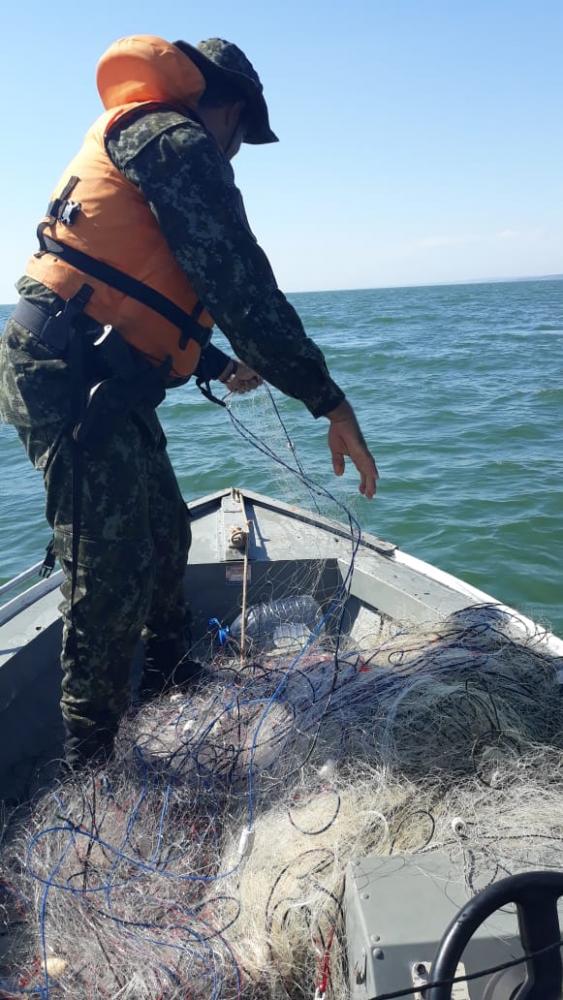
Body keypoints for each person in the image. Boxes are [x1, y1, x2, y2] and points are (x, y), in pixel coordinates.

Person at [0, 34, 378, 768]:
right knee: (109, 570)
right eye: (242, 136)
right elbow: (239, 285)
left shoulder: (150, 139)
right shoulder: (172, 141)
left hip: (104, 377)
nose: (236, 153)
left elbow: (142, 294)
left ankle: (170, 681)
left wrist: (211, 362)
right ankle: (94, 762)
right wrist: (329, 401)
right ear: (230, 109)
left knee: (166, 536)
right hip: (67, 380)